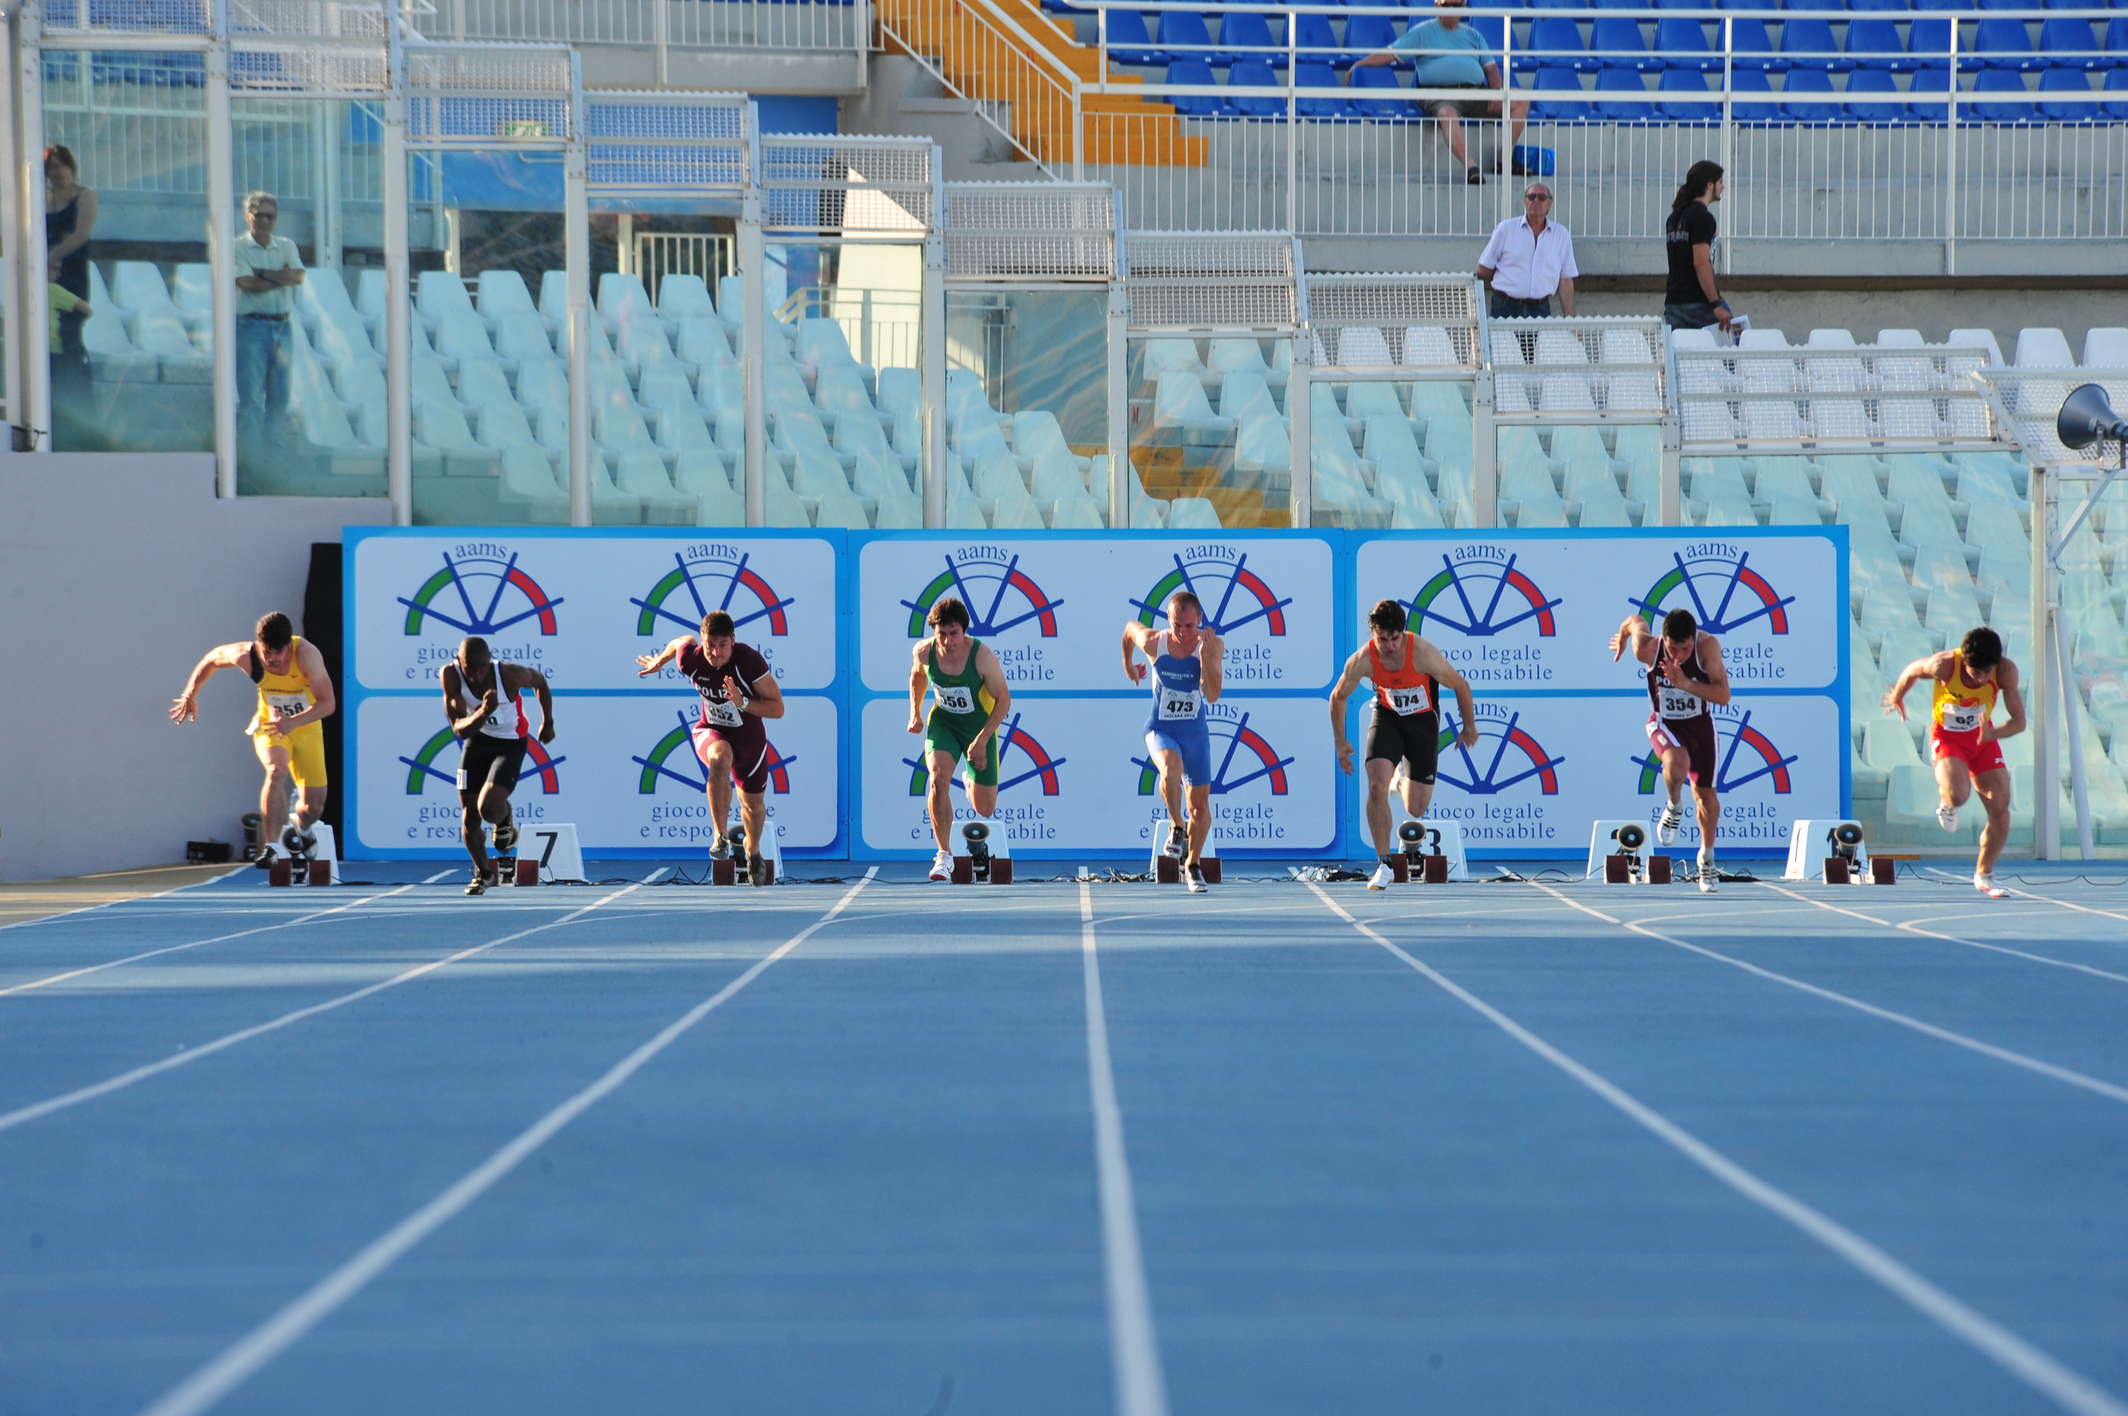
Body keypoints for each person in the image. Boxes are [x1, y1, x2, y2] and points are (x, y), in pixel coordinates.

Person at [1330, 599, 1480, 891]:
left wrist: (1469, 726)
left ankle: (1398, 780)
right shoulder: (1363, 659)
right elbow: (1338, 696)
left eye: (1394, 638)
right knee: (1375, 786)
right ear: (1373, 634)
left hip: (1422, 723)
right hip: (1387, 718)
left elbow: (1460, 685)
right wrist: (1340, 742)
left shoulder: (1422, 653)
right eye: (1382, 639)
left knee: (1415, 808)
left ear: (1403, 633)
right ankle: (1383, 864)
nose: (1389, 646)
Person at [169, 612, 337, 871]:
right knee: (276, 771)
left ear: (289, 647)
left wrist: (293, 722)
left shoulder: (306, 655)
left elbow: (328, 704)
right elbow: (211, 659)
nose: (273, 660)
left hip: (306, 726)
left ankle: (302, 829)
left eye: (279, 653)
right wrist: (190, 694)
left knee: (313, 806)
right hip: (270, 725)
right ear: (259, 645)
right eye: (267, 652)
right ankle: (273, 847)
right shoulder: (245, 655)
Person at [637, 610, 786, 886]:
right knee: (720, 758)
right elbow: (680, 641)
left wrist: (742, 702)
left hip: (748, 738)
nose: (715, 653)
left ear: (733, 641)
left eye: (722, 645)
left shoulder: (749, 662)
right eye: (709, 645)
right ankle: (720, 836)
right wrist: (661, 660)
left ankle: (753, 851)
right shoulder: (691, 660)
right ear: (702, 641)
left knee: (753, 805)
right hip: (711, 729)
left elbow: (778, 709)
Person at [1883, 627, 2024, 900]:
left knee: (2000, 810)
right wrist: (1897, 696)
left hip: (1983, 738)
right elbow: (1912, 670)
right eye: (1975, 672)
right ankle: (1947, 803)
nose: (1981, 679)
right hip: (1947, 737)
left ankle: (1984, 874)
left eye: (1986, 672)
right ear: (1964, 662)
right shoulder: (1944, 665)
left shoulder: (2005, 671)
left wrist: (1994, 734)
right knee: (1959, 795)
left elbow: (2019, 722)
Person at [1610, 606, 1730, 892]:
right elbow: (1634, 621)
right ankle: (1674, 805)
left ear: (1694, 639)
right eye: (1673, 649)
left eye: (1685, 649)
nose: (1679, 656)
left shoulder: (1707, 647)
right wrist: (1623, 637)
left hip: (1699, 725)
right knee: (1676, 763)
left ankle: (1706, 857)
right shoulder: (1648, 649)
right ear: (1663, 640)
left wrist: (1685, 683)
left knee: (1706, 796)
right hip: (1665, 723)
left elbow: (1723, 695)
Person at [1351, 0, 1530, 186]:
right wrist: (1359, 64)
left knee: (1520, 99)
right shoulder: (1423, 32)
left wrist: (1496, 93)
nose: (1451, 10)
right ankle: (1471, 167)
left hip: (1475, 92)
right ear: (1437, 6)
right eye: (1447, 5)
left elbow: (1491, 69)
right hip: (1439, 94)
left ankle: (1504, 159)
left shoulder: (1473, 35)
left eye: (1456, 5)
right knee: (1447, 113)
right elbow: (1391, 54)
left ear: (1464, 8)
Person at [1122, 591, 1226, 893]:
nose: (1182, 632)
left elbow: (1212, 695)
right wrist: (1129, 666)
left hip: (1195, 734)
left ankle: (1192, 864)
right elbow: (1129, 630)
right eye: (1176, 625)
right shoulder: (1155, 642)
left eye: (1189, 626)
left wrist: (1206, 658)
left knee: (1200, 808)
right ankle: (1176, 825)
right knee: (1170, 769)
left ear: (1200, 620)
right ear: (1168, 621)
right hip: (1161, 729)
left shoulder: (1212, 645)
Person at [906, 596, 1012, 882]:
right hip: (945, 723)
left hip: (978, 726)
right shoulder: (924, 651)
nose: (947, 641)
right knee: (938, 779)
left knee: (984, 808)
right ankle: (944, 855)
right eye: (941, 633)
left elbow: (1004, 700)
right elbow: (917, 677)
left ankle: (969, 779)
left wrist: (982, 740)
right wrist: (915, 713)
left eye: (953, 633)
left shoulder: (981, 656)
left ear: (964, 631)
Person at [442, 637, 555, 896]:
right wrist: (483, 711)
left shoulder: (509, 674)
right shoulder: (450, 675)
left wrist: (548, 722)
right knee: (469, 816)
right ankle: (484, 874)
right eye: (470, 668)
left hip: (510, 744)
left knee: (488, 808)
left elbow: (540, 682)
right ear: (460, 662)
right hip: (476, 742)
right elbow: (460, 729)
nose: (477, 674)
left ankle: (503, 817)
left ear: (489, 661)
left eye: (482, 667)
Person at [233, 190, 304, 432]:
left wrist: (261, 273)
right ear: (247, 216)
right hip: (250, 326)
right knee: (251, 399)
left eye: (270, 216)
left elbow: (298, 277)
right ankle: (252, 452)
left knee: (280, 399)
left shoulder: (286, 246)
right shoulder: (237, 247)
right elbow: (247, 284)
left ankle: (273, 452)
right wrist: (281, 277)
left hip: (283, 326)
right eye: (259, 215)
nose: (264, 220)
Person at [1475, 183, 1578, 319]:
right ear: (1525, 201)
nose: (1536, 200)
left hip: (1540, 309)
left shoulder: (1561, 235)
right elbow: (1483, 269)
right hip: (1505, 306)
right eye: (1531, 197)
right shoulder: (1505, 229)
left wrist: (1571, 320)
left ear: (1550, 203)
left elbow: (1566, 279)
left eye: (1541, 197)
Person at [1663, 160, 1737, 335]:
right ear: (1709, 185)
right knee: (1733, 342)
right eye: (1720, 182)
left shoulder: (1674, 218)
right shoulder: (1702, 217)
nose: (1723, 186)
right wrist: (1716, 304)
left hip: (1674, 302)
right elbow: (1701, 263)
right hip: (1698, 302)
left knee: (1681, 350)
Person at [44, 146, 97, 366]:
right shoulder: (42, 198)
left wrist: (53, 256)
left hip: (72, 270)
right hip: (46, 273)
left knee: (70, 327)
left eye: (63, 165)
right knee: (47, 329)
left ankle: (74, 377)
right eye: (53, 167)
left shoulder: (85, 195)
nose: (59, 172)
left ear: (72, 167)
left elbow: (81, 234)